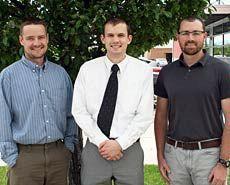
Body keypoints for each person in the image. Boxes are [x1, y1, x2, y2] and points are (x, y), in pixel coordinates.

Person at [72, 17, 153, 185]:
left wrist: (120, 144)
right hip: (96, 148)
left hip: (130, 149)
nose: (116, 40)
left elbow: (144, 115)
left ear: (129, 39)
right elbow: (79, 111)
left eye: (121, 35)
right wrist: (102, 141)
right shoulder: (87, 69)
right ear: (103, 39)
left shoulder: (143, 71)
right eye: (110, 35)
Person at [154, 16, 230, 185]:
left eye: (196, 33)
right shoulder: (166, 73)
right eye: (185, 33)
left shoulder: (222, 71)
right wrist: (160, 156)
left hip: (209, 156)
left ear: (205, 36)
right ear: (177, 36)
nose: (190, 38)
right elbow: (160, 117)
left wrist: (223, 163)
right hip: (174, 155)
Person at [0, 19, 76, 185]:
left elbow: (71, 114)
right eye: (30, 38)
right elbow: (2, 120)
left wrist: (68, 147)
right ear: (21, 40)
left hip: (58, 156)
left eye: (41, 37)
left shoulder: (61, 74)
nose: (36, 43)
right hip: (24, 159)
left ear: (47, 39)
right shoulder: (8, 76)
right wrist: (12, 157)